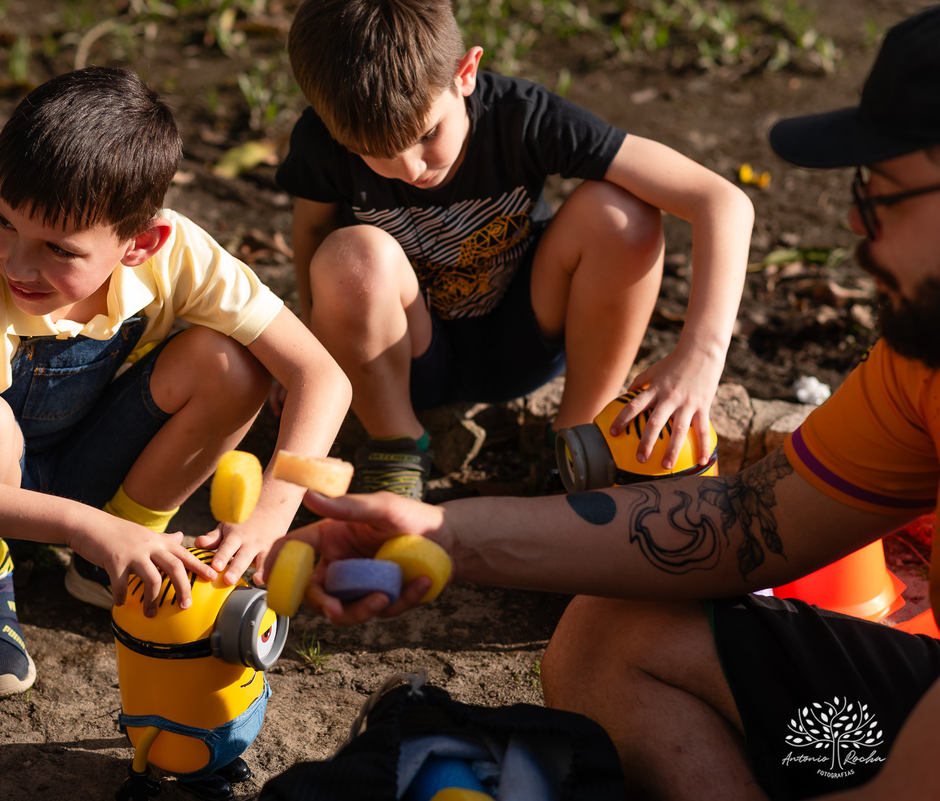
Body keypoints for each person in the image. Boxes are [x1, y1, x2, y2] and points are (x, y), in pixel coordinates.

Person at [275, 7, 940, 798]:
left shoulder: (521, 118)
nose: (859, 231)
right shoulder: (915, 364)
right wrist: (445, 533)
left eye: (884, 195)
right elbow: (748, 526)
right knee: (603, 629)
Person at [0, 67, 351, 701]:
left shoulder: (180, 256)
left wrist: (272, 516)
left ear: (140, 244)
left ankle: (113, 558)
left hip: (83, 471)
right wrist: (78, 524)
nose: (17, 262)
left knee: (232, 363)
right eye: (3, 220)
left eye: (59, 250)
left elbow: (323, 377)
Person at [272, 0, 754, 499]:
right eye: (376, 154)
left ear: (466, 73)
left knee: (622, 215)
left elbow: (722, 200)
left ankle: (577, 436)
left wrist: (702, 354)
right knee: (350, 256)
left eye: (428, 134)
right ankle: (396, 444)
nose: (412, 169)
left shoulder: (521, 117)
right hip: (401, 357)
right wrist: (311, 357)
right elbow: (311, 233)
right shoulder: (323, 140)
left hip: (523, 340)